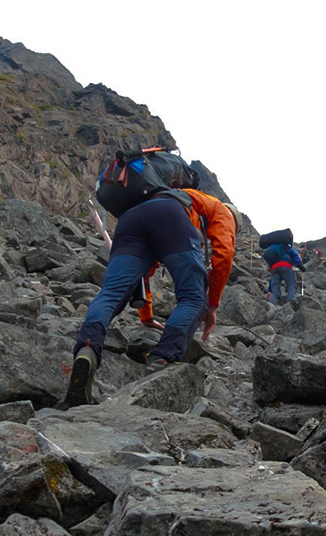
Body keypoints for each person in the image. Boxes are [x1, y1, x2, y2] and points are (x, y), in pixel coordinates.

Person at [66, 150, 236, 407]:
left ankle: (87, 348)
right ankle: (161, 359)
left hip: (129, 221)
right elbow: (223, 254)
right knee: (192, 296)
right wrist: (211, 305)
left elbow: (145, 271)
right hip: (168, 217)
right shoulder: (220, 209)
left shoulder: (169, 195)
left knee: (111, 293)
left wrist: (146, 317)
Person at [264, 239, 304, 305]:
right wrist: (301, 266)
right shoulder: (289, 248)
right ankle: (291, 302)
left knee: (275, 288)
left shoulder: (275, 249)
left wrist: (269, 289)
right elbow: (296, 256)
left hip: (274, 268)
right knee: (291, 284)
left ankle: (272, 304)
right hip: (285, 265)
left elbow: (272, 281)